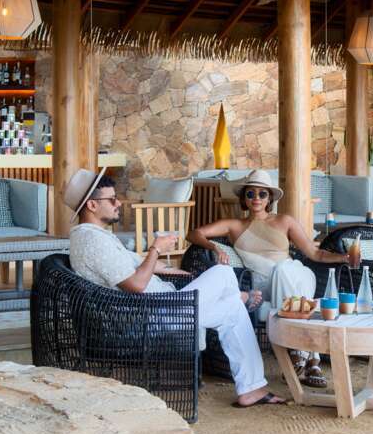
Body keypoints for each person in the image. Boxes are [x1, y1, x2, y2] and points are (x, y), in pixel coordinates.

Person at [65, 167, 284, 408]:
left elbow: (141, 265)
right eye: (112, 199)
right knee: (223, 273)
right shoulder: (92, 241)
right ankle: (240, 296)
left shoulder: (96, 236)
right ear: (92, 205)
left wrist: (184, 274)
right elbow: (136, 285)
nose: (118, 203)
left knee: (231, 307)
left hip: (162, 306)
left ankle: (251, 389)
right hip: (147, 317)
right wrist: (156, 248)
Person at [187, 169, 349, 388]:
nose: (256, 198)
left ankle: (298, 354)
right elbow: (194, 233)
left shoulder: (285, 220)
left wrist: (344, 258)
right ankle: (311, 360)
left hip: (297, 274)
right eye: (250, 193)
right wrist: (214, 247)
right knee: (283, 274)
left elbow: (315, 253)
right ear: (244, 198)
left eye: (262, 194)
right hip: (263, 285)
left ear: (269, 198)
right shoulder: (234, 225)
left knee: (283, 269)